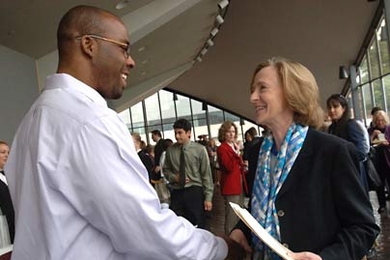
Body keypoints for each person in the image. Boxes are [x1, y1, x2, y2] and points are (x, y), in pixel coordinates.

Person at [5, 5, 244, 260]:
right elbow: (145, 229)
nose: (131, 61)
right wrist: (222, 249)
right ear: (89, 45)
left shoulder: (32, 119)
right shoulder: (90, 121)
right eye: (123, 48)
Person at [229, 57, 379, 260]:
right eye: (252, 90)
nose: (253, 97)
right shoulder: (258, 153)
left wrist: (327, 258)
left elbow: (363, 227)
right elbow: (265, 207)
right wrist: (242, 230)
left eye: (262, 88)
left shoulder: (332, 152)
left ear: (292, 94)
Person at [163, 118, 214, 230]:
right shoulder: (170, 151)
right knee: (178, 226)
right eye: (175, 133)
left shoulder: (200, 150)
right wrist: (175, 177)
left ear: (189, 133)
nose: (177, 136)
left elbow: (206, 175)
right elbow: (166, 170)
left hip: (194, 191)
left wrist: (208, 197)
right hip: (177, 192)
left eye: (180, 133)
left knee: (198, 225)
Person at [326, 94, 370, 192]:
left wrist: (341, 157)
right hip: (339, 174)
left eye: (335, 106)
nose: (332, 110)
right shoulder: (331, 128)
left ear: (344, 108)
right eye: (329, 107)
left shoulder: (351, 125)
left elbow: (361, 152)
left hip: (353, 173)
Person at [216, 121, 246, 234]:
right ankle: (229, 240)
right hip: (230, 185)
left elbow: (237, 164)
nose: (232, 134)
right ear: (224, 133)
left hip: (238, 183)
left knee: (240, 214)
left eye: (233, 132)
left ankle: (238, 238)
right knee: (231, 215)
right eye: (229, 132)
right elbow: (228, 166)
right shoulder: (222, 148)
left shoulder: (233, 146)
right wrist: (237, 152)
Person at [369, 110, 390, 213]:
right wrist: (373, 135)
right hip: (376, 161)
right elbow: (367, 143)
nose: (380, 122)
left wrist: (387, 142)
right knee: (379, 184)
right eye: (377, 120)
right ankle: (382, 205)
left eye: (382, 120)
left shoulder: (389, 129)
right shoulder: (371, 130)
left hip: (388, 159)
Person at [0, 141, 14, 244]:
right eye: (2, 152)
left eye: (8, 153)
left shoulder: (9, 175)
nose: (6, 155)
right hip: (2, 228)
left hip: (14, 224)